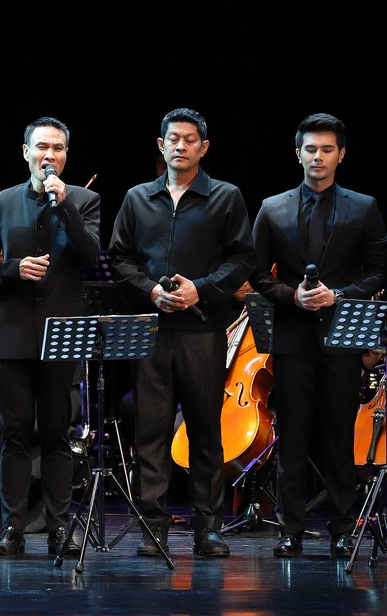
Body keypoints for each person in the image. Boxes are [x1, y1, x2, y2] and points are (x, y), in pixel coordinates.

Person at [108, 107, 255, 559]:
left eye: (190, 139)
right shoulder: (137, 198)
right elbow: (119, 258)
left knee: (205, 431)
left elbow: (243, 258)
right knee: (150, 431)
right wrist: (151, 290)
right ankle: (153, 528)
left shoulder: (225, 196)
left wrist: (201, 289)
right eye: (173, 138)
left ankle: (207, 529)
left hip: (201, 329)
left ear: (203, 147)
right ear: (161, 144)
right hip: (151, 330)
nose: (180, 146)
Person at [249, 113, 387, 558]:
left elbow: (378, 271)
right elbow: (256, 273)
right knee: (291, 437)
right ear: (298, 153)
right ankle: (289, 529)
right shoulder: (272, 207)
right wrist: (292, 296)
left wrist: (339, 295)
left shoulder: (363, 207)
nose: (318, 157)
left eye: (327, 149)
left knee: (338, 436)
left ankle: (343, 528)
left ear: (341, 154)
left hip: (341, 338)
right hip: (292, 338)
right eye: (310, 149)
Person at [0, 116, 101, 557]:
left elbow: (90, 257)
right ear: (26, 151)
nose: (50, 155)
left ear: (66, 154)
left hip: (63, 330)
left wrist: (65, 206)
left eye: (58, 148)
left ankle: (59, 528)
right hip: (14, 331)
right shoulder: (0, 202)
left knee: (57, 433)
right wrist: (14, 269)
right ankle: (13, 529)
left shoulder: (84, 200)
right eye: (42, 147)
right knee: (15, 433)